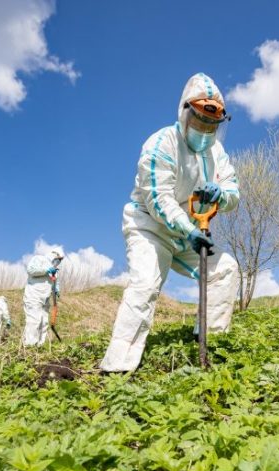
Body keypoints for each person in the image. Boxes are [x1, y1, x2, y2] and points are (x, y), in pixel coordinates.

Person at [100, 72, 240, 373]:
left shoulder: (218, 154)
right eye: (200, 122)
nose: (204, 131)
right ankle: (118, 366)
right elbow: (158, 198)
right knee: (145, 284)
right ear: (185, 113)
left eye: (211, 125)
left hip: (188, 234)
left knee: (225, 269)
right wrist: (188, 229)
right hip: (150, 227)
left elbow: (232, 192)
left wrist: (222, 196)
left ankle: (208, 340)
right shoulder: (161, 143)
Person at [23, 249, 64, 346]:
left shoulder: (54, 270)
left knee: (44, 322)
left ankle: (40, 345)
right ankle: (29, 345)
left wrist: (56, 288)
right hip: (34, 295)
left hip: (45, 298)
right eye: (58, 259)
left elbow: (55, 281)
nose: (58, 262)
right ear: (52, 256)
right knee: (34, 320)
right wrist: (46, 270)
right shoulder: (39, 259)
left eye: (60, 261)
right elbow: (31, 270)